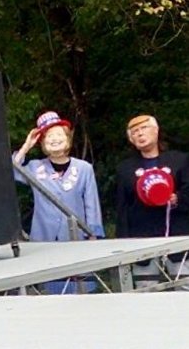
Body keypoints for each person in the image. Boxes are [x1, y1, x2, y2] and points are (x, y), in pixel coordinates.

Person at [13, 111, 105, 293]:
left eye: (58, 134)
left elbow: (91, 203)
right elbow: (11, 172)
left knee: (81, 287)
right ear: (42, 142)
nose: (54, 139)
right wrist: (26, 146)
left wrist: (94, 233)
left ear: (67, 138)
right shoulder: (34, 167)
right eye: (48, 136)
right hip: (44, 238)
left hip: (76, 236)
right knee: (49, 288)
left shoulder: (83, 168)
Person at [116, 114, 189, 290]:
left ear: (156, 131)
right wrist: (123, 243)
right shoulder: (125, 169)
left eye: (144, 128)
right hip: (141, 240)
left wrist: (177, 198)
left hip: (178, 236)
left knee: (185, 287)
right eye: (134, 132)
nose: (140, 134)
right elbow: (122, 207)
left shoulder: (180, 160)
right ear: (131, 139)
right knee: (146, 289)